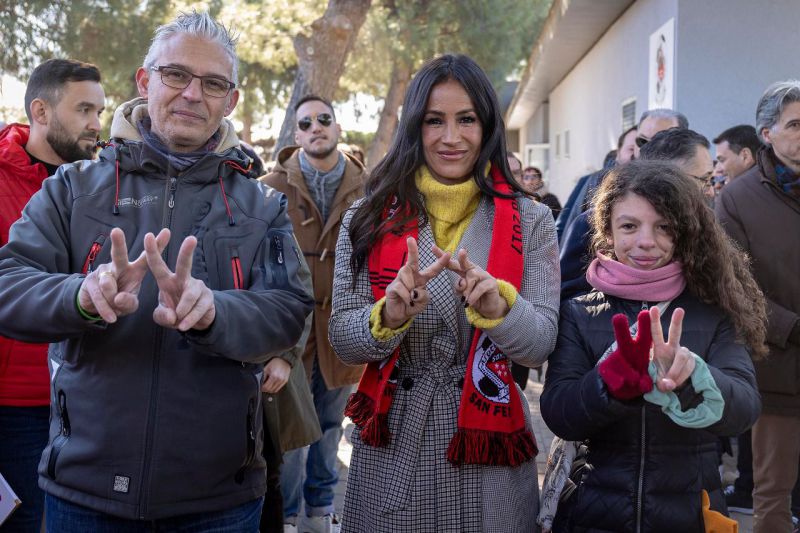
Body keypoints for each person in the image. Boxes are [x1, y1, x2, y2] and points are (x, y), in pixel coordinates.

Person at [0, 11, 313, 531]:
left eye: (213, 83)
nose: (193, 94)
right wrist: (81, 297)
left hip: (219, 501)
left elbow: (289, 312)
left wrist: (216, 312)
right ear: (145, 82)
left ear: (230, 100)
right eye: (176, 75)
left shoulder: (262, 206)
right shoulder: (73, 188)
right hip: (85, 494)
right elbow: (8, 285)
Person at [328, 54, 559, 532]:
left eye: (466, 119)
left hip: (491, 455)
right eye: (435, 121)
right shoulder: (367, 218)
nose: (451, 137)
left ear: (488, 125)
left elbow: (540, 343)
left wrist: (501, 309)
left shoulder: (532, 221)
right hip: (393, 445)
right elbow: (343, 338)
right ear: (414, 126)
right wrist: (387, 317)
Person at [541, 160, 764, 532]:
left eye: (664, 227)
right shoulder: (579, 312)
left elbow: (745, 409)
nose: (646, 241)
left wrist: (693, 377)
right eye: (629, 226)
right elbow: (558, 412)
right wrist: (608, 384)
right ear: (607, 232)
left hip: (691, 511)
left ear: (686, 233)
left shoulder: (713, 312)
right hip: (594, 509)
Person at [0, 58, 104, 533]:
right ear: (40, 111)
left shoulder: (105, 187)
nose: (96, 124)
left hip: (83, 405)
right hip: (13, 406)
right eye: (84, 109)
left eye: (100, 111)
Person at [261, 94, 366, 533]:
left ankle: (320, 514)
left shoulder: (369, 188)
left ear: (337, 128)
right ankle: (284, 516)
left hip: (342, 331)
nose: (315, 127)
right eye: (306, 123)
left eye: (324, 119)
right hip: (290, 332)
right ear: (296, 134)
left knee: (328, 430)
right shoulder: (270, 187)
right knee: (289, 435)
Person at [716, 80, 800, 533]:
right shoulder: (737, 198)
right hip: (780, 371)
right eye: (795, 125)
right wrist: (792, 327)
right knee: (772, 498)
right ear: (766, 133)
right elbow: (735, 287)